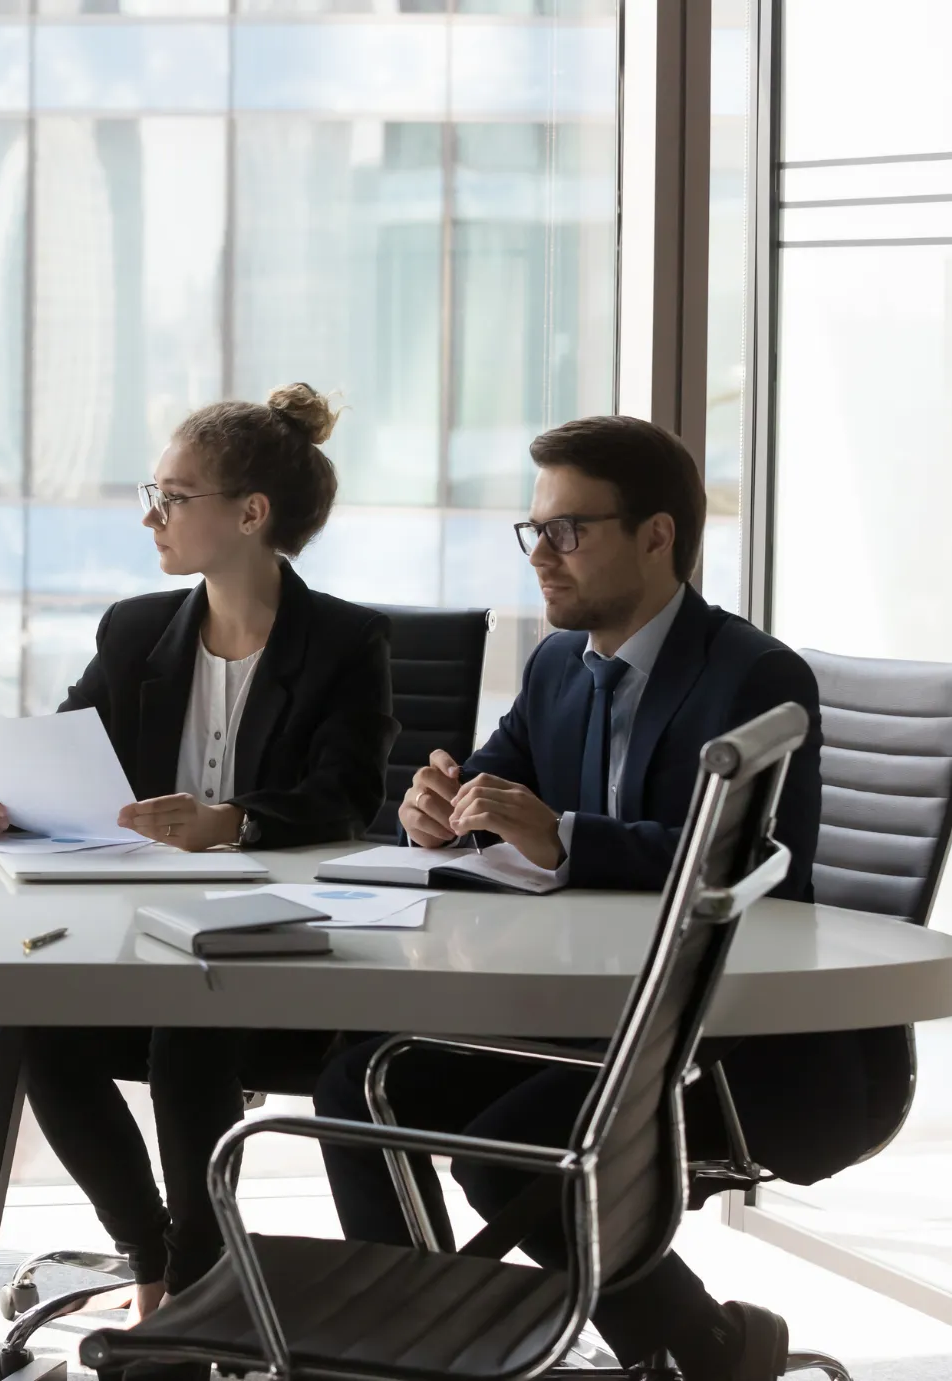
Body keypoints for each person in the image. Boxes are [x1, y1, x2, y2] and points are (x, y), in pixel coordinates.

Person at [316, 414, 900, 1381]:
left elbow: (759, 865)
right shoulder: (557, 662)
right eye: (533, 531)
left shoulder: (753, 675)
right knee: (356, 1084)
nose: (541, 556)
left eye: (569, 531)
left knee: (509, 1149)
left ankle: (698, 1345)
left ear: (657, 534)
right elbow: (485, 792)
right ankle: (417, 1345)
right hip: (591, 1012)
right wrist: (437, 810)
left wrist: (562, 835)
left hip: (739, 1041)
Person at [0, 385, 397, 1317]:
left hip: (286, 946)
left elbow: (348, 798)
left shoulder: (345, 641)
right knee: (38, 1035)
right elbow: (64, 752)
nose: (151, 515)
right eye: (151, 492)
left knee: (186, 1039)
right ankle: (154, 1262)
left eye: (172, 495)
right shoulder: (136, 629)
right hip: (140, 927)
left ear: (249, 513)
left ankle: (196, 1288)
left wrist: (230, 820)